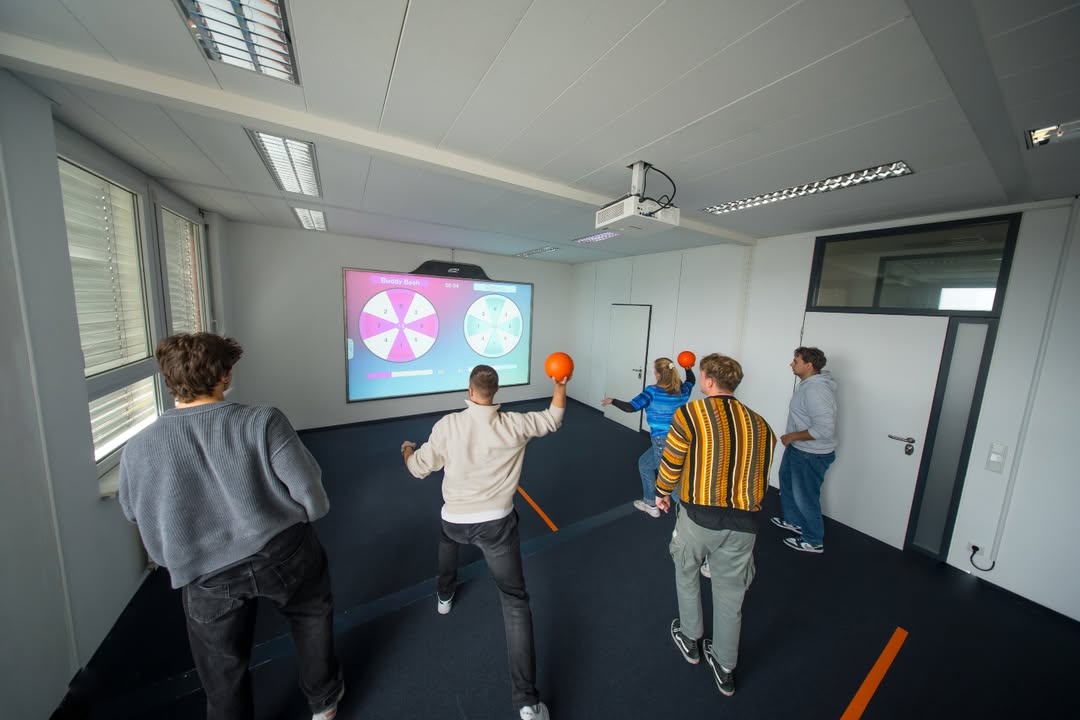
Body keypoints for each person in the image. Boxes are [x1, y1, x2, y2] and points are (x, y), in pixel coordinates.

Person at [119, 333, 344, 720]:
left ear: (168, 379)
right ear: (224, 376)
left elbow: (133, 512)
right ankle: (323, 702)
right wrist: (313, 513)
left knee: (221, 667)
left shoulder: (137, 448)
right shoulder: (263, 420)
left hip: (204, 573)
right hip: (282, 551)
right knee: (311, 614)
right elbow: (306, 487)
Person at [401, 365, 568, 720]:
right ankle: (527, 703)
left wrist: (407, 450)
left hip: (455, 521)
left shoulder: (448, 425)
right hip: (497, 527)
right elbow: (553, 419)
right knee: (515, 602)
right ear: (496, 391)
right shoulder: (515, 424)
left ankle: (444, 596)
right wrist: (559, 384)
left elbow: (417, 468)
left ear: (470, 390)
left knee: (447, 540)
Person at [654, 354, 775, 698]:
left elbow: (672, 460)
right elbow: (762, 477)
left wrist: (662, 493)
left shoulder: (691, 414)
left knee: (686, 571)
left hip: (698, 518)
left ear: (708, 381)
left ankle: (691, 638)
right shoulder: (762, 425)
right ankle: (724, 665)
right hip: (744, 523)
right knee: (731, 594)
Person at [601, 357, 695, 518]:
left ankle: (692, 518)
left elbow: (631, 407)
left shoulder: (652, 392)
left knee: (669, 482)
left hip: (662, 441)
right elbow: (691, 380)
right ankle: (651, 504)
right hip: (678, 439)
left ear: (658, 373)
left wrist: (613, 401)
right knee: (645, 464)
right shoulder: (681, 390)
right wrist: (687, 367)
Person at [772, 347, 838, 554]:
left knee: (806, 496)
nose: (791, 364)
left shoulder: (816, 391)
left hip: (811, 454)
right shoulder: (808, 386)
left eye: (796, 361)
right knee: (787, 483)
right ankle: (794, 521)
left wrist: (792, 436)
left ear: (809, 365)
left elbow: (825, 429)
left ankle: (813, 539)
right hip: (799, 449)